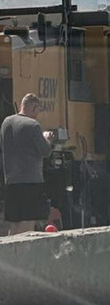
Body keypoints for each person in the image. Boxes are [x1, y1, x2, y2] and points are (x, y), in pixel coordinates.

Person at [0, 93, 53, 235]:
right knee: (28, 221)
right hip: (30, 180)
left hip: (11, 181)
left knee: (15, 223)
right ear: (34, 107)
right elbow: (46, 151)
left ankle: (11, 253)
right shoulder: (33, 125)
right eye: (38, 110)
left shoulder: (6, 122)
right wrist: (47, 138)